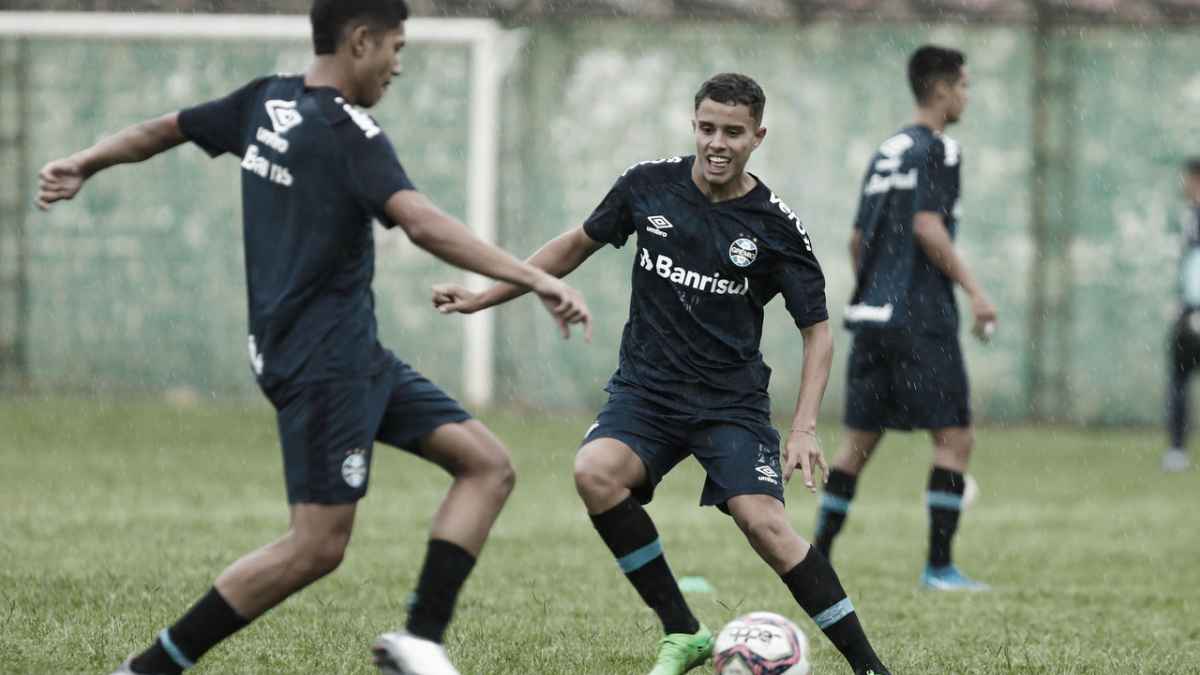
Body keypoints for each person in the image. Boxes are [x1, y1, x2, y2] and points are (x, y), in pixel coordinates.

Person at [35, 2, 592, 674]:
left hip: (349, 355)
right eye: (395, 47)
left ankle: (419, 637)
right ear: (360, 41)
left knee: (487, 464)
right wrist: (534, 277)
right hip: (324, 363)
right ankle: (149, 668)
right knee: (316, 545)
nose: (397, 65)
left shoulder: (266, 102)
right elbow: (421, 222)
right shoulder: (347, 131)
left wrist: (87, 162)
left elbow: (168, 127)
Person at [433, 73, 890, 675]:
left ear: (758, 136)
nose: (717, 143)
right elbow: (574, 244)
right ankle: (683, 630)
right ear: (692, 125)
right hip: (646, 393)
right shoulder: (647, 187)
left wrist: (804, 426)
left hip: (730, 403)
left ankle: (870, 667)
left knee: (766, 526)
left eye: (733, 132)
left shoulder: (775, 227)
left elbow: (818, 332)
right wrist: (483, 295)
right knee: (595, 474)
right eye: (706, 128)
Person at [812, 45, 995, 592]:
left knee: (857, 445)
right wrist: (976, 293)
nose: (967, 95)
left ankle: (817, 555)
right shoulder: (939, 148)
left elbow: (855, 239)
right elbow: (926, 225)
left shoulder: (887, 150)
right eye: (964, 85)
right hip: (920, 316)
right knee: (954, 439)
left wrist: (875, 288)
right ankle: (939, 567)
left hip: (871, 315)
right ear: (941, 90)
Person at [1163, 158, 1200, 473]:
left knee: (1179, 377)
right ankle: (1176, 451)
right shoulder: (1192, 216)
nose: (1184, 186)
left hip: (1195, 310)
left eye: (1188, 179)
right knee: (1179, 378)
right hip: (1189, 309)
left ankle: (1177, 451)